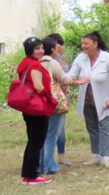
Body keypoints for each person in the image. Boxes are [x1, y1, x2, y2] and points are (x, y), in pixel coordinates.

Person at [66, 30, 109, 167]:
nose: (83, 46)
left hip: (104, 100)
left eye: (86, 43)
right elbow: (71, 75)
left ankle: (106, 156)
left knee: (105, 127)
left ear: (95, 44)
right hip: (87, 100)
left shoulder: (107, 58)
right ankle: (96, 154)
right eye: (82, 44)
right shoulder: (81, 58)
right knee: (92, 128)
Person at [15, 37, 55, 184]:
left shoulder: (24, 63)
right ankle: (32, 175)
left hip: (28, 106)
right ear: (30, 50)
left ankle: (28, 174)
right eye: (37, 48)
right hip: (38, 107)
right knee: (37, 141)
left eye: (42, 48)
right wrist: (50, 98)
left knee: (32, 140)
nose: (41, 51)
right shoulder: (35, 66)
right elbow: (38, 86)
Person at [38, 34, 71, 176]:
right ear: (52, 49)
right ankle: (50, 165)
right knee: (52, 135)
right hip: (52, 101)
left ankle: (40, 165)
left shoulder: (37, 63)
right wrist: (78, 81)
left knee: (42, 135)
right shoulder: (52, 63)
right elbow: (65, 78)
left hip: (39, 102)